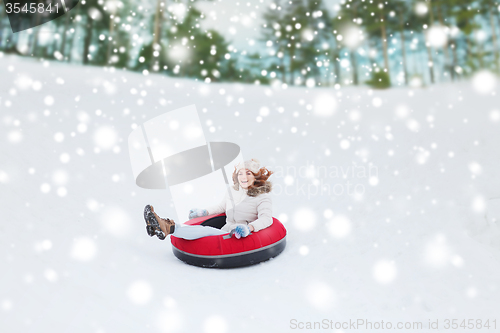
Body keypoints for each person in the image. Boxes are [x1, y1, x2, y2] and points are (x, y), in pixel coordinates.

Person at [143, 158, 274, 240]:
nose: (243, 176)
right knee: (203, 229)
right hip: (226, 230)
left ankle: (168, 227)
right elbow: (221, 208)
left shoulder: (262, 197)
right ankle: (159, 227)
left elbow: (266, 218)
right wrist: (203, 212)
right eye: (240, 173)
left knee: (205, 231)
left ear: (256, 177)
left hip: (241, 235)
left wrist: (249, 228)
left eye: (248, 173)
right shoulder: (233, 192)